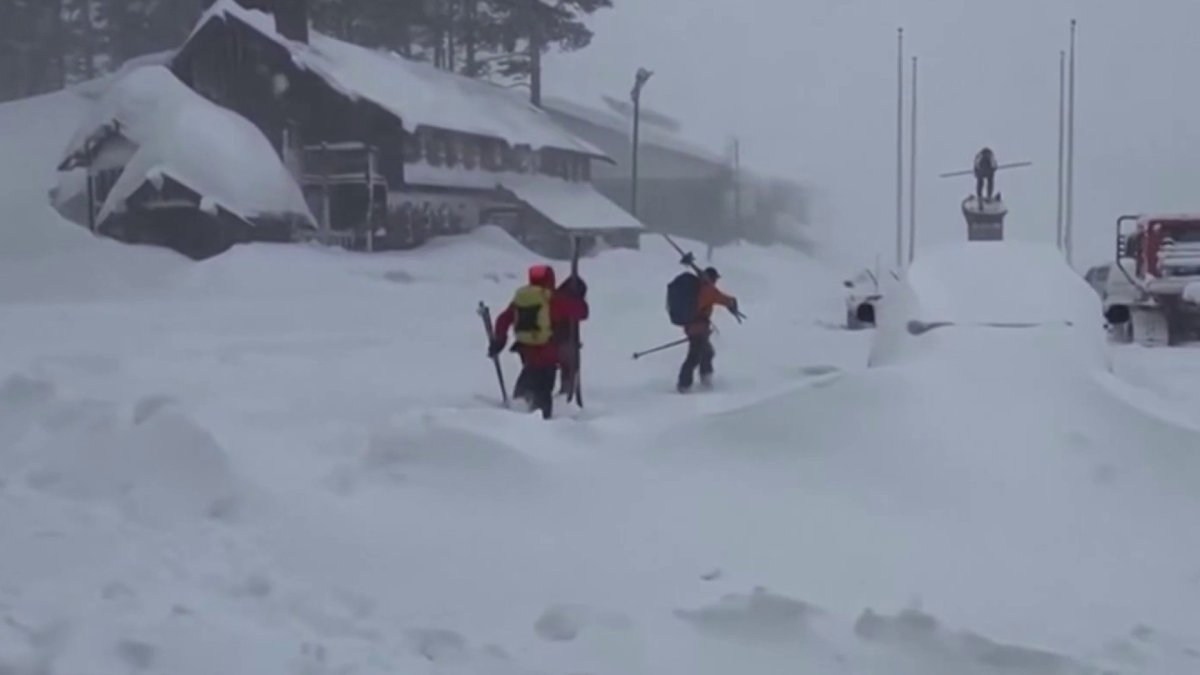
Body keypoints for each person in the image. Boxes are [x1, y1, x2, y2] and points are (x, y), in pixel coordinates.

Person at [489, 264, 588, 419]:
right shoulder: (553, 300)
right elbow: (582, 312)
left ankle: (514, 415)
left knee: (525, 386)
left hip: (527, 353)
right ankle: (542, 425)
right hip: (548, 355)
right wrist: (575, 297)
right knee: (543, 392)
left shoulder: (521, 299)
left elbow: (503, 320)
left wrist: (499, 340)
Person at [678, 266, 738, 393]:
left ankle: (705, 379)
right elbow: (722, 298)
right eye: (715, 278)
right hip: (698, 329)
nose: (716, 281)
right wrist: (732, 302)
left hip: (693, 327)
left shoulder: (698, 286)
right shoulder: (707, 289)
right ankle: (684, 385)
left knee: (706, 353)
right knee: (694, 356)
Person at [554, 274, 589, 396]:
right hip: (561, 341)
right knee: (569, 366)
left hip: (553, 340)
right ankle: (566, 393)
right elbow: (582, 312)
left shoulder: (553, 296)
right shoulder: (562, 300)